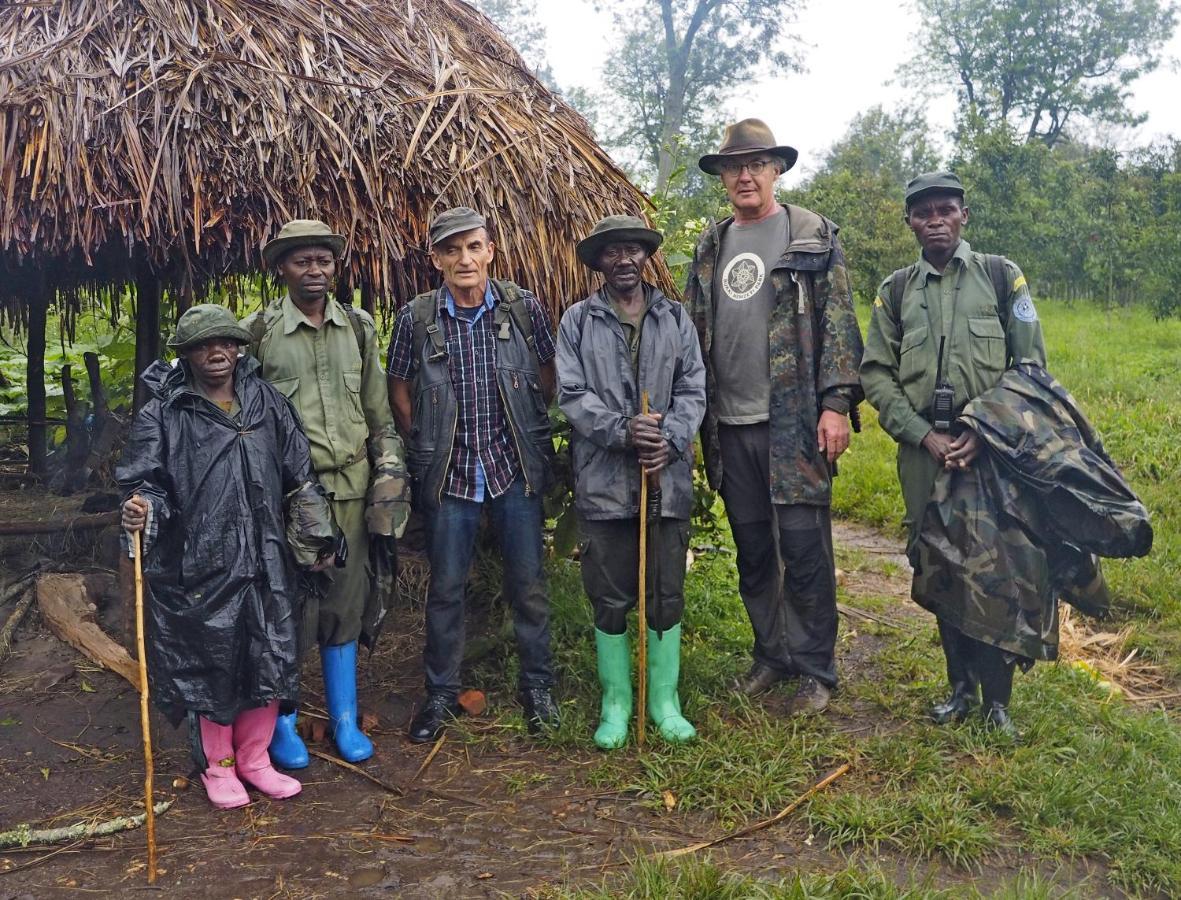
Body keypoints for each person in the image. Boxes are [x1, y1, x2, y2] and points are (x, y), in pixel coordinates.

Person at [117, 305, 338, 809]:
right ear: (187, 354)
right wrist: (142, 507)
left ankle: (256, 758)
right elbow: (146, 480)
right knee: (212, 659)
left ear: (239, 348)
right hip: (202, 558)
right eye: (202, 345)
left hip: (268, 553)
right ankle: (218, 766)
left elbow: (298, 472)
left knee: (270, 652)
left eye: (225, 343)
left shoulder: (266, 401)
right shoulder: (165, 413)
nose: (216, 353)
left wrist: (316, 536)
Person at [684, 119, 864, 715]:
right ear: (722, 178)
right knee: (754, 546)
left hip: (793, 422)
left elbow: (839, 321)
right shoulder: (711, 246)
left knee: (805, 546)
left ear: (776, 170)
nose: (744, 175)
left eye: (756, 164)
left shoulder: (809, 235)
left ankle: (816, 667)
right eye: (734, 167)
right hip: (729, 427)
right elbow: (694, 335)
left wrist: (836, 403)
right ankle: (771, 653)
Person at [860, 171, 1048, 733]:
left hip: (990, 454)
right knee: (939, 565)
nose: (935, 220)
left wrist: (983, 430)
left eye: (945, 209)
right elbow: (876, 373)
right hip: (925, 455)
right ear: (910, 222)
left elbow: (1030, 369)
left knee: (997, 571)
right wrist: (924, 433)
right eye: (923, 213)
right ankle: (960, 692)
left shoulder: (1000, 276)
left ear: (964, 214)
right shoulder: (895, 290)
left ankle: (999, 705)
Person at [387, 207, 559, 742]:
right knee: (446, 588)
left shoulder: (522, 307)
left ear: (490, 251)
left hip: (513, 470)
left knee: (528, 585)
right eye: (452, 249)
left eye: (474, 247)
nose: (465, 259)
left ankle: (538, 688)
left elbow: (548, 373)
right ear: (436, 259)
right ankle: (440, 694)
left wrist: (528, 428)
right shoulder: (416, 318)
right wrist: (427, 440)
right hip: (451, 474)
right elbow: (399, 385)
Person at [242, 219, 411, 765]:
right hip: (290, 496)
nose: (314, 270)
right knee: (288, 608)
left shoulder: (358, 327)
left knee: (345, 604)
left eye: (324, 261)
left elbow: (378, 414)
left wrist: (389, 478)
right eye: (301, 261)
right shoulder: (260, 332)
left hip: (353, 488)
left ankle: (343, 716)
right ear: (281, 269)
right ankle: (284, 723)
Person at [557, 215, 706, 749]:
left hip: (663, 479)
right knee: (610, 594)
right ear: (598, 262)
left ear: (646, 258)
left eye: (633, 250)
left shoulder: (674, 318)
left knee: (665, 591)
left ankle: (664, 701)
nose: (624, 260)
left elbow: (693, 386)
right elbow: (572, 394)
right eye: (612, 252)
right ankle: (616, 702)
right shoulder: (577, 321)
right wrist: (623, 430)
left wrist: (671, 434)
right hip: (603, 483)